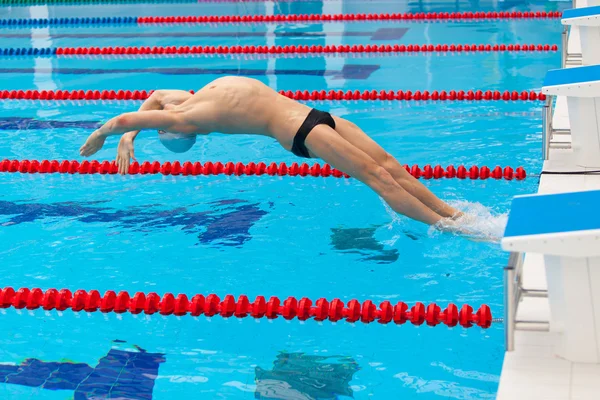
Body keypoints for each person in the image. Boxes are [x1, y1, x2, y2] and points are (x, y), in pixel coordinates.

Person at [80, 76, 462, 227]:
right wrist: (106, 135)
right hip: (298, 130)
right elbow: (125, 120)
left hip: (314, 114)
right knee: (377, 178)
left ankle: (452, 212)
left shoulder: (178, 102)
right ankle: (451, 228)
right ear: (174, 129)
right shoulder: (186, 118)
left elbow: (152, 100)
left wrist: (127, 142)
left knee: (389, 164)